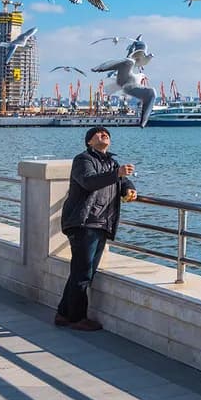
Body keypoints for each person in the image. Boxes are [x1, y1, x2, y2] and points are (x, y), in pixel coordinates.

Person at [55, 125, 137, 331]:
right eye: (99, 134)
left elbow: (123, 182)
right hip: (84, 222)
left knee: (83, 271)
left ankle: (64, 314)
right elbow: (88, 182)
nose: (104, 135)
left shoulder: (111, 162)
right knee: (83, 272)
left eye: (107, 134)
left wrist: (129, 189)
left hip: (101, 223)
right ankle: (77, 318)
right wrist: (117, 173)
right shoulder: (83, 160)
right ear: (89, 141)